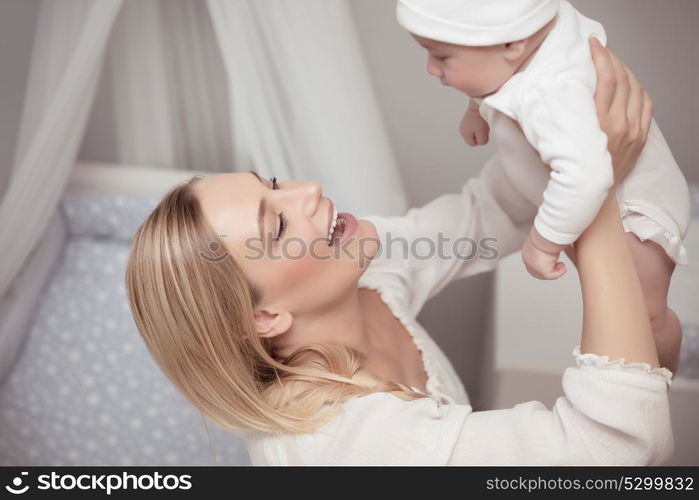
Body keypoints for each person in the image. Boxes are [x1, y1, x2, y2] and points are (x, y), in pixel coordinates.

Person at [124, 40, 673, 465]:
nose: (307, 191)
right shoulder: (342, 445)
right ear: (266, 316)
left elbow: (489, 213)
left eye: (272, 182)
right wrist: (592, 191)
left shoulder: (364, 272)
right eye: (277, 221)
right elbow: (618, 449)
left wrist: (528, 103)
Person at [396, 0, 690, 373]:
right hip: (575, 180)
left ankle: (660, 370)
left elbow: (586, 176)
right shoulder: (538, 27)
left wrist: (544, 241)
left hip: (635, 213)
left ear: (511, 45)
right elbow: (493, 68)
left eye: (441, 57)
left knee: (643, 315)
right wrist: (477, 109)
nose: (430, 68)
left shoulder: (550, 92)